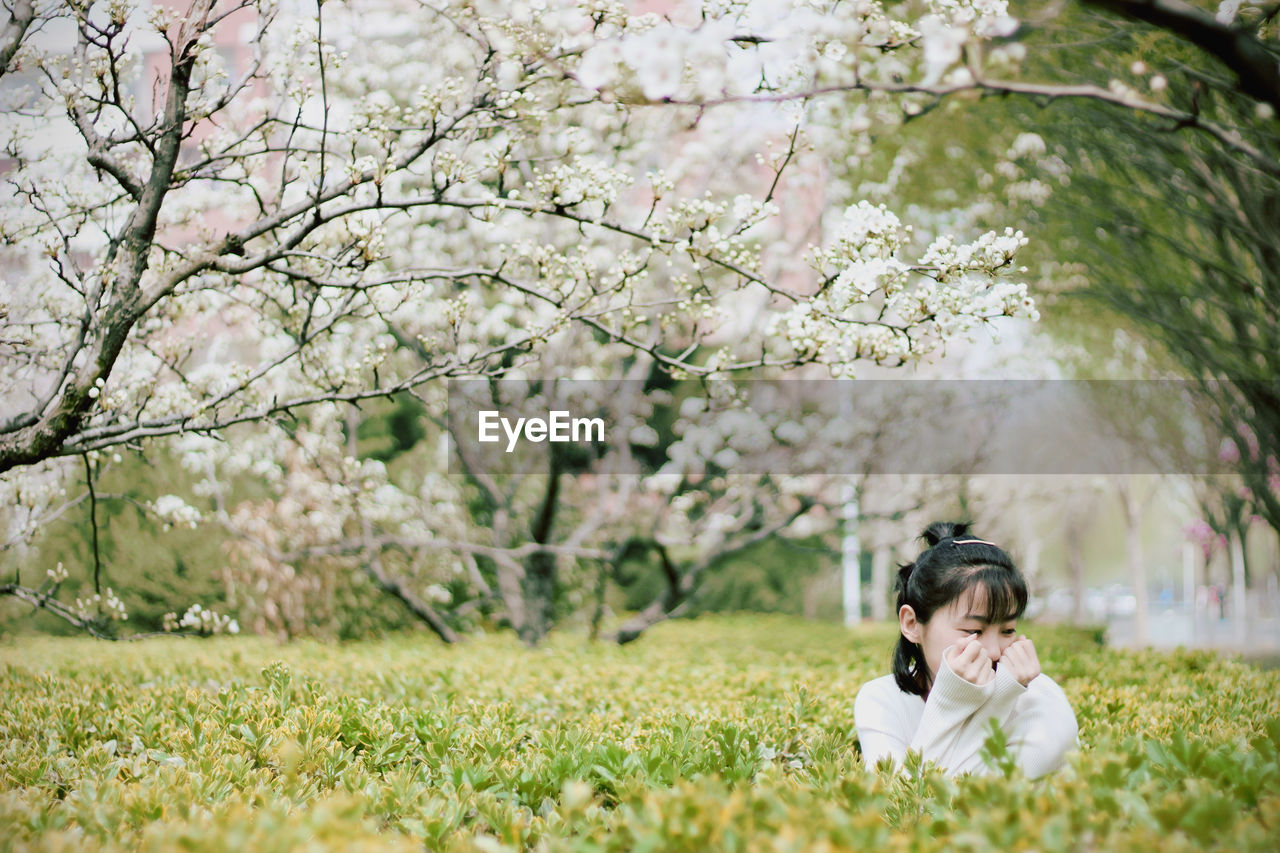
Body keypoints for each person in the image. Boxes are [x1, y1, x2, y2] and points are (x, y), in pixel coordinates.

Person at [854, 521, 1078, 778]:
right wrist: (950, 702)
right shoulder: (882, 700)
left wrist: (998, 697)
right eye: (973, 631)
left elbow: (972, 799)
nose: (994, 652)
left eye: (1008, 630)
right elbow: (899, 807)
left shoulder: (1042, 701)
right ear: (912, 623)